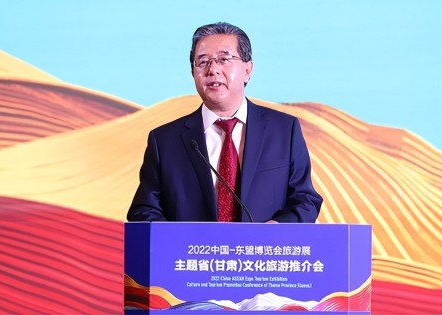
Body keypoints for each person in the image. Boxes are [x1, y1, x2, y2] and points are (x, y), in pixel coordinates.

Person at [127, 22, 322, 223]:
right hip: (192, 245)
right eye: (203, 62)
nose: (213, 69)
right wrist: (181, 238)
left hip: (264, 244)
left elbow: (305, 200)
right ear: (193, 73)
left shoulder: (284, 131)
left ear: (247, 69)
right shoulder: (165, 141)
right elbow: (144, 211)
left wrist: (276, 229)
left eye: (224, 59)